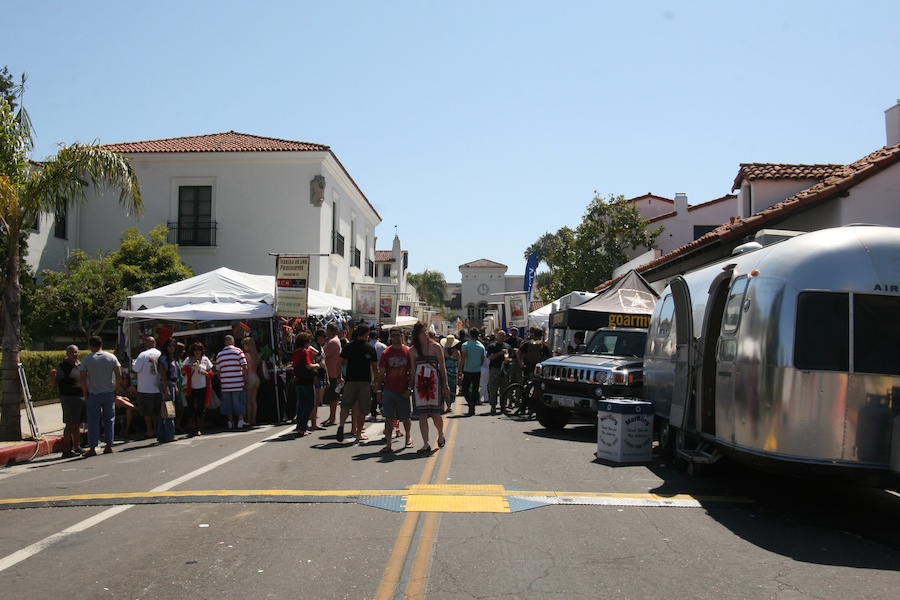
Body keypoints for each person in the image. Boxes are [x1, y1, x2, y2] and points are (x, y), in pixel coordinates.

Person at [408, 322, 450, 453]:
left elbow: (442, 367)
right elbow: (413, 369)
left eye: (426, 330)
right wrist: (410, 386)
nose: (425, 333)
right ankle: (425, 443)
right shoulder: (413, 350)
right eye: (422, 331)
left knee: (435, 412)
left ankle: (440, 434)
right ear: (417, 334)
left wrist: (445, 384)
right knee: (422, 414)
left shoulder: (436, 347)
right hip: (420, 384)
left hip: (434, 383)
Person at [79, 336, 122, 457]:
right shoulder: (111, 357)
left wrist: (85, 392)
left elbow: (82, 378)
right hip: (108, 392)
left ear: (91, 346)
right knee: (109, 419)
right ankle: (109, 445)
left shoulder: (87, 359)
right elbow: (119, 375)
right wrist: (116, 390)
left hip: (94, 392)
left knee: (93, 420)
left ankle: (92, 447)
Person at [336, 323, 379, 443]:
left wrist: (339, 377)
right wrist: (376, 381)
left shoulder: (349, 346)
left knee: (345, 405)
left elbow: (339, 362)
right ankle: (358, 433)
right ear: (367, 334)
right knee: (362, 408)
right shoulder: (370, 348)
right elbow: (375, 367)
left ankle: (341, 425)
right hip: (364, 382)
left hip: (350, 380)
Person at [375, 327, 413, 453]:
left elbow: (412, 372)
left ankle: (408, 437)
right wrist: (379, 390)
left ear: (402, 336)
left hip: (403, 390)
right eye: (393, 336)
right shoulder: (386, 353)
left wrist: (410, 388)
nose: (396, 338)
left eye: (398, 335)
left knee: (406, 417)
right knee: (388, 417)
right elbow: (381, 373)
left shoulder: (408, 352)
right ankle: (388, 444)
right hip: (389, 389)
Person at [50, 345, 83, 458]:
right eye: (72, 353)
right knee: (70, 424)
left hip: (81, 397)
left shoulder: (80, 365)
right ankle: (66, 450)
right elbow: (53, 383)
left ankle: (77, 447)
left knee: (77, 423)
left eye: (76, 352)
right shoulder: (62, 367)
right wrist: (53, 376)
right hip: (68, 397)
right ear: (67, 354)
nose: (75, 354)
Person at [216, 335, 249, 429]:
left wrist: (221, 380)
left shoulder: (220, 354)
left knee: (227, 403)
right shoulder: (238, 352)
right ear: (233, 342)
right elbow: (244, 366)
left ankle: (230, 422)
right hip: (238, 382)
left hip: (226, 384)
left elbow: (218, 370)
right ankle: (240, 421)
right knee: (239, 401)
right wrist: (246, 378)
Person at [132, 336, 162, 439]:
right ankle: (157, 429)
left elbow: (136, 368)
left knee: (146, 411)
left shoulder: (143, 355)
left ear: (146, 344)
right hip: (158, 387)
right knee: (156, 411)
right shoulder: (160, 354)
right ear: (155, 344)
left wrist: (132, 363)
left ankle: (149, 430)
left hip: (145, 388)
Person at [182, 342, 213, 437]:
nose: (197, 352)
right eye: (195, 350)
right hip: (191, 387)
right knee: (190, 408)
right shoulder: (188, 360)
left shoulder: (205, 359)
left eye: (199, 350)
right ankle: (192, 428)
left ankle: (199, 428)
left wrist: (204, 372)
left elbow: (211, 373)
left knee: (201, 408)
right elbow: (182, 372)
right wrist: (191, 366)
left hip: (202, 387)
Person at [292, 332, 318, 437]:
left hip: (298, 379)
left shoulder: (296, 352)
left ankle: (299, 425)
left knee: (301, 403)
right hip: (307, 380)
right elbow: (308, 366)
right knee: (310, 403)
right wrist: (316, 365)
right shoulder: (305, 351)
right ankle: (302, 427)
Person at [458, 327, 486, 416]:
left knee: (465, 388)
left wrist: (460, 369)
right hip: (477, 370)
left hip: (468, 370)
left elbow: (463, 358)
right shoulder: (481, 346)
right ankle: (472, 405)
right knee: (475, 389)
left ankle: (470, 402)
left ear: (470, 335)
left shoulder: (465, 345)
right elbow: (482, 360)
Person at [321, 322, 343, 427]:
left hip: (332, 373)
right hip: (333, 372)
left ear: (329, 330)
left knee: (333, 397)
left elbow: (324, 355)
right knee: (332, 397)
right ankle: (331, 416)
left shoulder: (332, 342)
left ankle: (333, 417)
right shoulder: (334, 340)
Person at [486, 330, 512, 415]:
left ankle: (503, 406)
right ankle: (493, 406)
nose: (502, 337)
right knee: (493, 388)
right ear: (497, 336)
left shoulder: (507, 346)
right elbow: (490, 357)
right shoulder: (492, 346)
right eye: (500, 335)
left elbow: (511, 356)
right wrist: (500, 353)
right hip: (495, 369)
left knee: (504, 388)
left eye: (503, 336)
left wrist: (509, 360)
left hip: (504, 369)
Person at [157, 338, 178, 443]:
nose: (172, 347)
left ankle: (161, 435)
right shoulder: (164, 358)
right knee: (169, 411)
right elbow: (163, 373)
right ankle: (170, 435)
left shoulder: (171, 358)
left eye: (174, 345)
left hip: (172, 384)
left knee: (164, 411)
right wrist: (166, 388)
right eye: (170, 345)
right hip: (167, 384)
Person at [309, 329, 328, 431]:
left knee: (318, 401)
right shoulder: (314, 346)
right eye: (324, 336)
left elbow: (324, 363)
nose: (325, 338)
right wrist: (314, 375)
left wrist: (327, 378)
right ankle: (313, 423)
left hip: (323, 375)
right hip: (317, 375)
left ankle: (314, 422)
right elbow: (311, 361)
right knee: (315, 401)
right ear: (319, 336)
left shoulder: (321, 347)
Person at [367, 329, 387, 422]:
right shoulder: (383, 346)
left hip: (368, 371)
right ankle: (382, 406)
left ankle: (373, 411)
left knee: (372, 392)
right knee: (380, 389)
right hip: (381, 370)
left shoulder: (367, 346)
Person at [241, 337, 262, 426]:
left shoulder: (246, 355)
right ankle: (254, 419)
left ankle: (249, 419)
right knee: (254, 400)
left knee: (248, 400)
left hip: (249, 377)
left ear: (247, 345)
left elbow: (244, 368)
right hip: (256, 377)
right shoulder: (257, 355)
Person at [441, 334, 460, 413]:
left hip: (446, 372)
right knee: (452, 389)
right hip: (453, 372)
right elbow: (459, 363)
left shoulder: (444, 352)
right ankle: (450, 405)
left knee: (446, 388)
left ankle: (448, 404)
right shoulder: (457, 352)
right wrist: (459, 372)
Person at [117, 372, 138, 440]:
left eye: (125, 378)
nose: (123, 380)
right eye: (122, 378)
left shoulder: (132, 388)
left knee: (129, 410)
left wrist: (131, 402)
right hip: (120, 407)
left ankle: (127, 431)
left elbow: (138, 399)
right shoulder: (118, 388)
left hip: (131, 406)